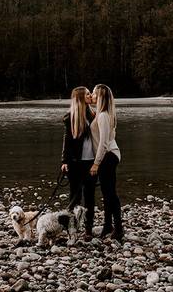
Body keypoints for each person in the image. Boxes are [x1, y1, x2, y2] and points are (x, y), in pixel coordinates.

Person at [60, 86, 96, 239]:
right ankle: (71, 228)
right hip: (75, 163)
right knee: (75, 196)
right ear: (81, 98)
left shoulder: (93, 114)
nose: (90, 96)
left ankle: (88, 229)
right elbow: (67, 141)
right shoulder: (70, 118)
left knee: (90, 196)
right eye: (88, 94)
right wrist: (64, 161)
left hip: (91, 162)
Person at [89, 83, 122, 241]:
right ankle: (108, 225)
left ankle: (118, 228)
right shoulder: (103, 114)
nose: (92, 96)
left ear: (100, 97)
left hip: (108, 156)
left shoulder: (102, 116)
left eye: (94, 94)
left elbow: (103, 142)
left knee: (110, 194)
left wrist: (96, 163)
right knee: (107, 193)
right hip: (110, 155)